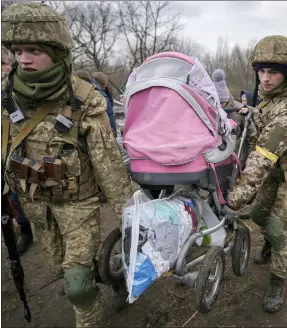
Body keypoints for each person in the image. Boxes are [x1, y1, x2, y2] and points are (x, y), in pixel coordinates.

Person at [1, 3, 133, 326]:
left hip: (79, 208)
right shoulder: (7, 97)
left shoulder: (85, 102)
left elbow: (111, 171)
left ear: (56, 51)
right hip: (38, 211)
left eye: (33, 49)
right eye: (17, 50)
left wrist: (132, 219)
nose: (23, 59)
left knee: (76, 285)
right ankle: (110, 277)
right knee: (64, 271)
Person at [224, 35, 287, 313]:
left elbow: (263, 156)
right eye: (261, 72)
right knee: (259, 216)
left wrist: (234, 199)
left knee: (278, 228)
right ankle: (270, 244)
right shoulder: (269, 98)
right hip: (275, 170)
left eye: (273, 73)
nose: (265, 79)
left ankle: (277, 281)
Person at [2, 45, 34, 254]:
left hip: (21, 149)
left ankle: (27, 229)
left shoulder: (20, 87)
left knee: (19, 194)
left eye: (3, 64)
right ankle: (23, 228)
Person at [212, 69, 258, 165]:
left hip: (238, 160)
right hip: (215, 161)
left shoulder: (240, 110)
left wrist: (249, 163)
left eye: (223, 103)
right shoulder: (209, 110)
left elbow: (252, 137)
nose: (221, 106)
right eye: (218, 103)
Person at [92, 71, 118, 137]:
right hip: (102, 132)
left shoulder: (85, 88)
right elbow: (110, 115)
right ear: (104, 83)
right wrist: (114, 134)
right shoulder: (104, 95)